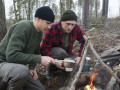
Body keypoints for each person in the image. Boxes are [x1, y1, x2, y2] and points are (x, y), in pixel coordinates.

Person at [0, 6, 55, 90]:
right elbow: (11, 56)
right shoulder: (23, 27)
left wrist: (32, 68)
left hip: (16, 66)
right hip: (3, 63)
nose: (49, 27)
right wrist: (39, 59)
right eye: (47, 23)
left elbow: (35, 52)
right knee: (21, 72)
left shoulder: (39, 32)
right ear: (38, 19)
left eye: (51, 24)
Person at [40, 10, 85, 79]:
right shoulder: (52, 28)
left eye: (72, 24)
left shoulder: (76, 28)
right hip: (54, 54)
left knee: (74, 65)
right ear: (61, 22)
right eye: (67, 24)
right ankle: (51, 68)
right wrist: (54, 61)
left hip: (67, 54)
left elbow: (85, 41)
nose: (70, 27)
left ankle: (62, 67)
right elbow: (43, 48)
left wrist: (80, 56)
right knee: (61, 53)